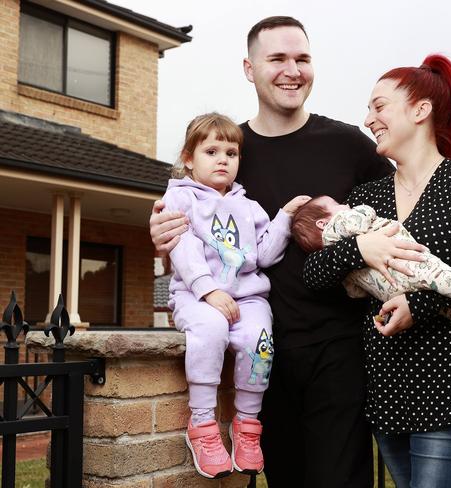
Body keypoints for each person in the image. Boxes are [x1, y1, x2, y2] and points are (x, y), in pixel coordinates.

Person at [149, 17, 418, 488]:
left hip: (340, 348)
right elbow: (190, 235)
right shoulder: (229, 149)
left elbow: (402, 217)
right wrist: (162, 233)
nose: (292, 70)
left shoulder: (348, 145)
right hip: (261, 348)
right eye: (277, 59)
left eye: (302, 59)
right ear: (250, 68)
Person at [302, 55, 451, 488]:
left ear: (420, 110)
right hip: (396, 396)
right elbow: (315, 272)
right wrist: (360, 247)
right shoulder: (366, 196)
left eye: (379, 106)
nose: (368, 119)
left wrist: (421, 302)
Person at [162, 112, 309, 479]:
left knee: (260, 342)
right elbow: (182, 247)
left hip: (247, 298)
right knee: (210, 331)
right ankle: (202, 426)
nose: (223, 159)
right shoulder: (179, 199)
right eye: (211, 151)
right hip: (196, 297)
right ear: (189, 158)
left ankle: (246, 426)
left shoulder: (247, 205)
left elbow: (263, 254)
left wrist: (286, 218)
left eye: (231, 152)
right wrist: (208, 289)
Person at [291, 196, 451, 328]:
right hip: (402, 266)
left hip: (390, 293)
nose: (346, 204)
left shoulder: (339, 260)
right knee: (434, 272)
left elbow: (354, 292)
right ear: (322, 223)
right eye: (337, 204)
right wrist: (363, 211)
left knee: (439, 304)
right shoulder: (338, 225)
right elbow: (359, 221)